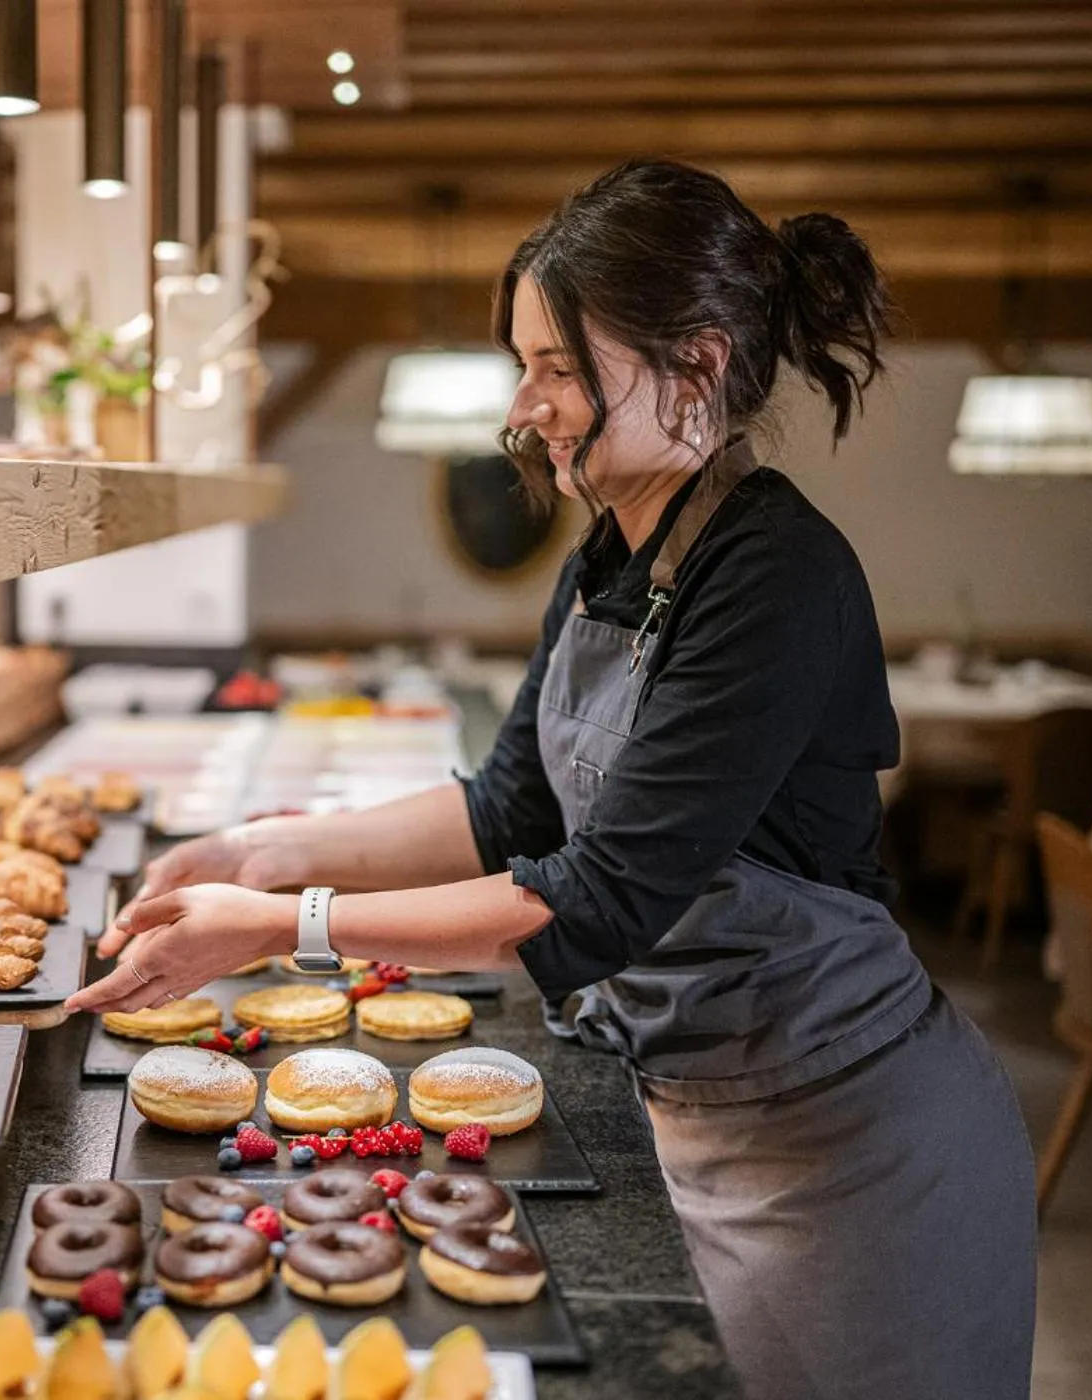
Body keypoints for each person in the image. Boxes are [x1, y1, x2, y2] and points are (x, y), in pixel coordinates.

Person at [66, 160, 1037, 1400]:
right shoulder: (607, 556)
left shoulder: (776, 573)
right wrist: (258, 848)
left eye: (559, 367)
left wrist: (280, 924)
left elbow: (592, 899)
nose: (525, 407)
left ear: (697, 363)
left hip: (848, 1147)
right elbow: (507, 810)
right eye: (523, 365)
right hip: (691, 1106)